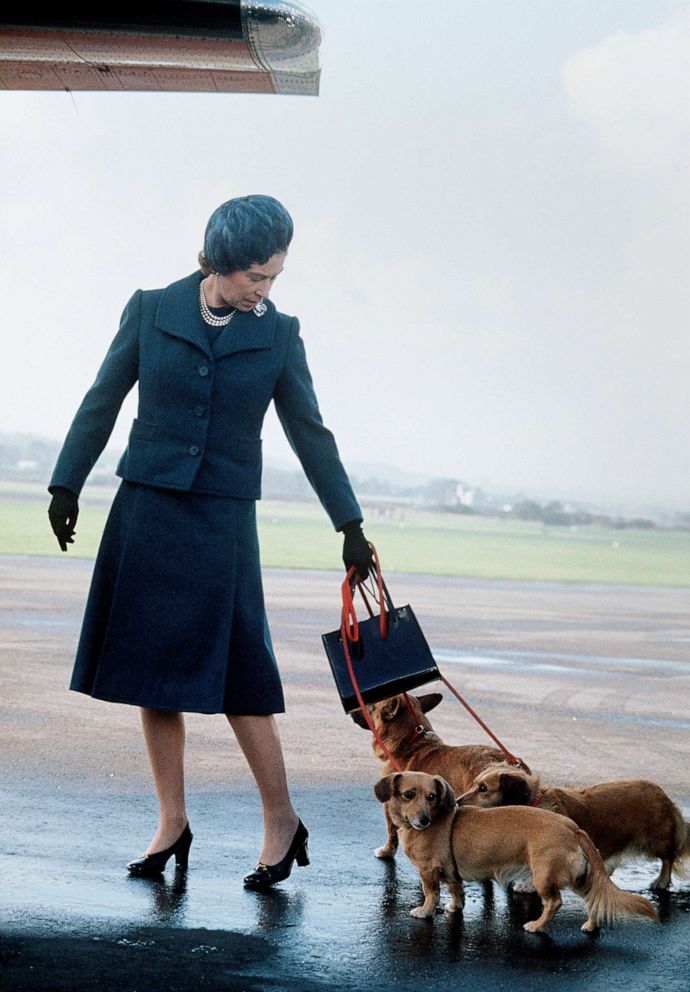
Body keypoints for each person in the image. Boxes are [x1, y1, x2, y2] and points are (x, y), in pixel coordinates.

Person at [47, 194, 373, 888]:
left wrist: (350, 524)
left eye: (274, 278)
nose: (265, 289)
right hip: (148, 509)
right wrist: (65, 483)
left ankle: (281, 819)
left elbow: (310, 432)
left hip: (223, 520)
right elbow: (102, 397)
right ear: (219, 262)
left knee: (241, 679)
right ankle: (172, 821)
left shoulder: (280, 335)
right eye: (256, 276)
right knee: (149, 673)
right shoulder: (151, 308)